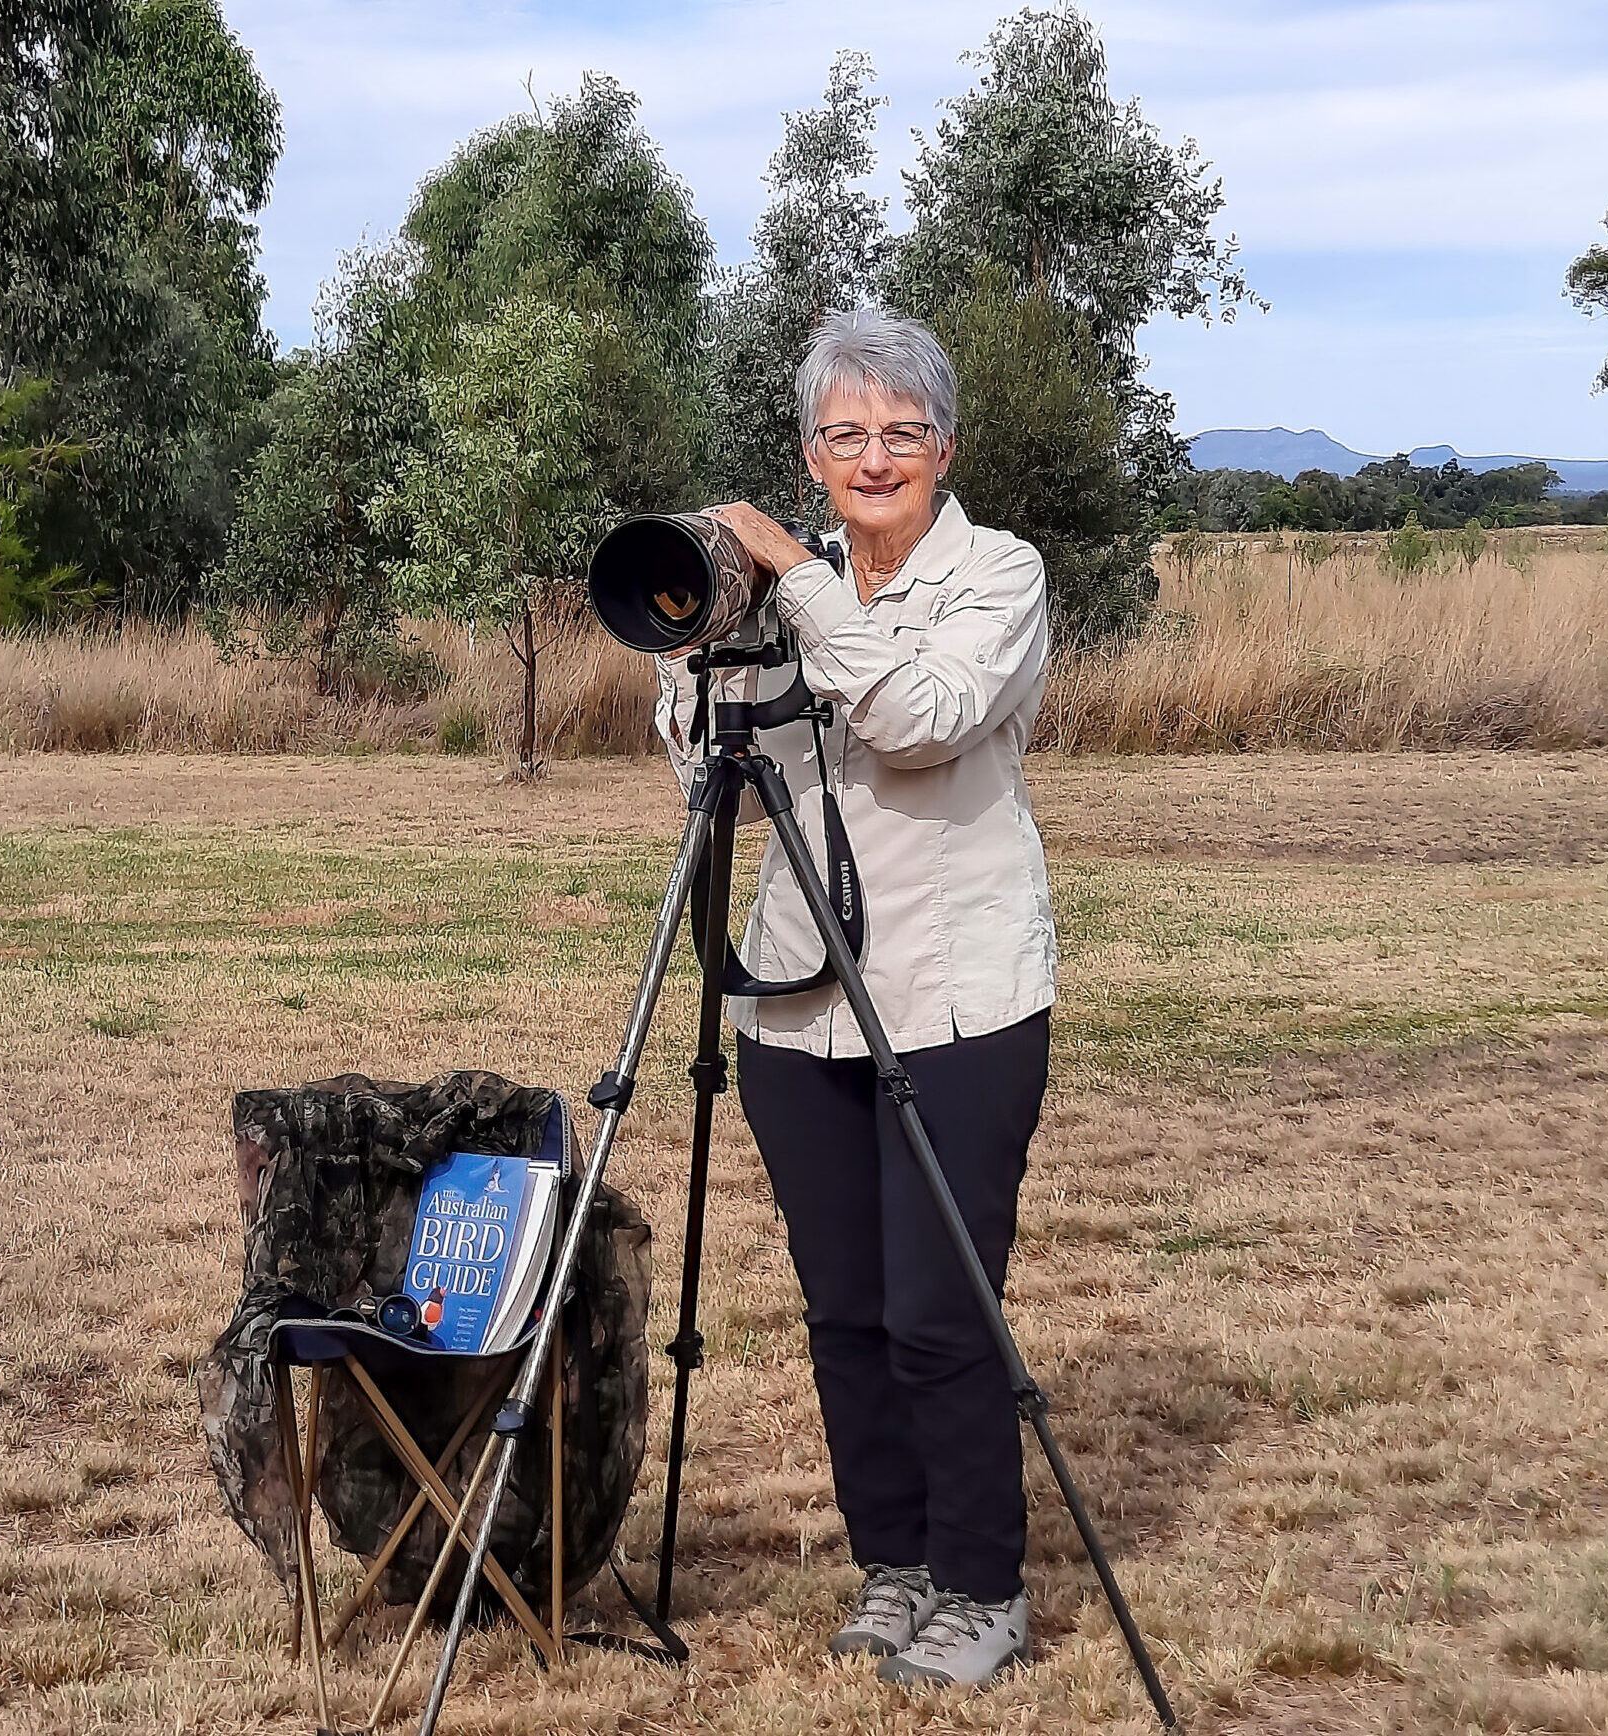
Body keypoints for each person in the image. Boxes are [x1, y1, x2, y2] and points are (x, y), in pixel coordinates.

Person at [652, 308, 1055, 1688]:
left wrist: (804, 591)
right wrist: (697, 631)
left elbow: (921, 718)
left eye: (900, 432)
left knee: (944, 1312)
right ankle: (895, 1564)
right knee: (847, 1313)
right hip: (797, 998)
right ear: (811, 456)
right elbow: (707, 759)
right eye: (845, 434)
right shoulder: (799, 590)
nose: (873, 457)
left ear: (944, 447)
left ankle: (982, 1585)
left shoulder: (1000, 576)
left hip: (956, 1002)